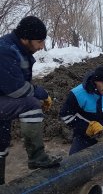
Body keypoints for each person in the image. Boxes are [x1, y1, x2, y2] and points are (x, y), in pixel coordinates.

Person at [0, 16, 62, 185]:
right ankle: (37, 157)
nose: (42, 46)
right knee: (31, 105)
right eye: (39, 41)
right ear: (25, 38)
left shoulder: (19, 49)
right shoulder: (5, 50)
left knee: (1, 144)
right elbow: (16, 89)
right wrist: (38, 93)